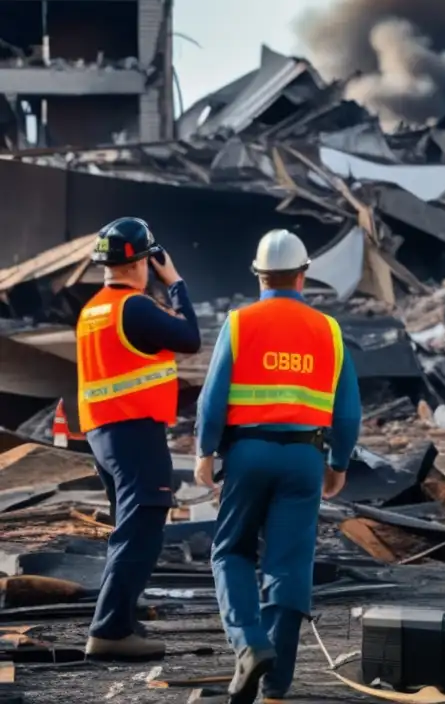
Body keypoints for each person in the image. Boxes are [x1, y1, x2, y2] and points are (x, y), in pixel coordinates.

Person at [194, 229, 361, 704]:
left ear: (259, 275)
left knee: (231, 552)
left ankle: (249, 642)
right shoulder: (329, 330)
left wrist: (205, 452)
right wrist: (339, 462)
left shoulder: (240, 323)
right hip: (305, 458)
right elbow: (347, 411)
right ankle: (276, 684)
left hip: (247, 454)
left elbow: (213, 399)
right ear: (303, 274)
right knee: (289, 565)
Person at [77, 217, 201, 661]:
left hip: (103, 434)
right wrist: (177, 282)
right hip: (134, 431)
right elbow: (191, 337)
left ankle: (122, 619)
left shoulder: (93, 309)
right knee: (142, 531)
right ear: (144, 260)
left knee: (129, 530)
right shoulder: (136, 307)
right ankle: (110, 630)